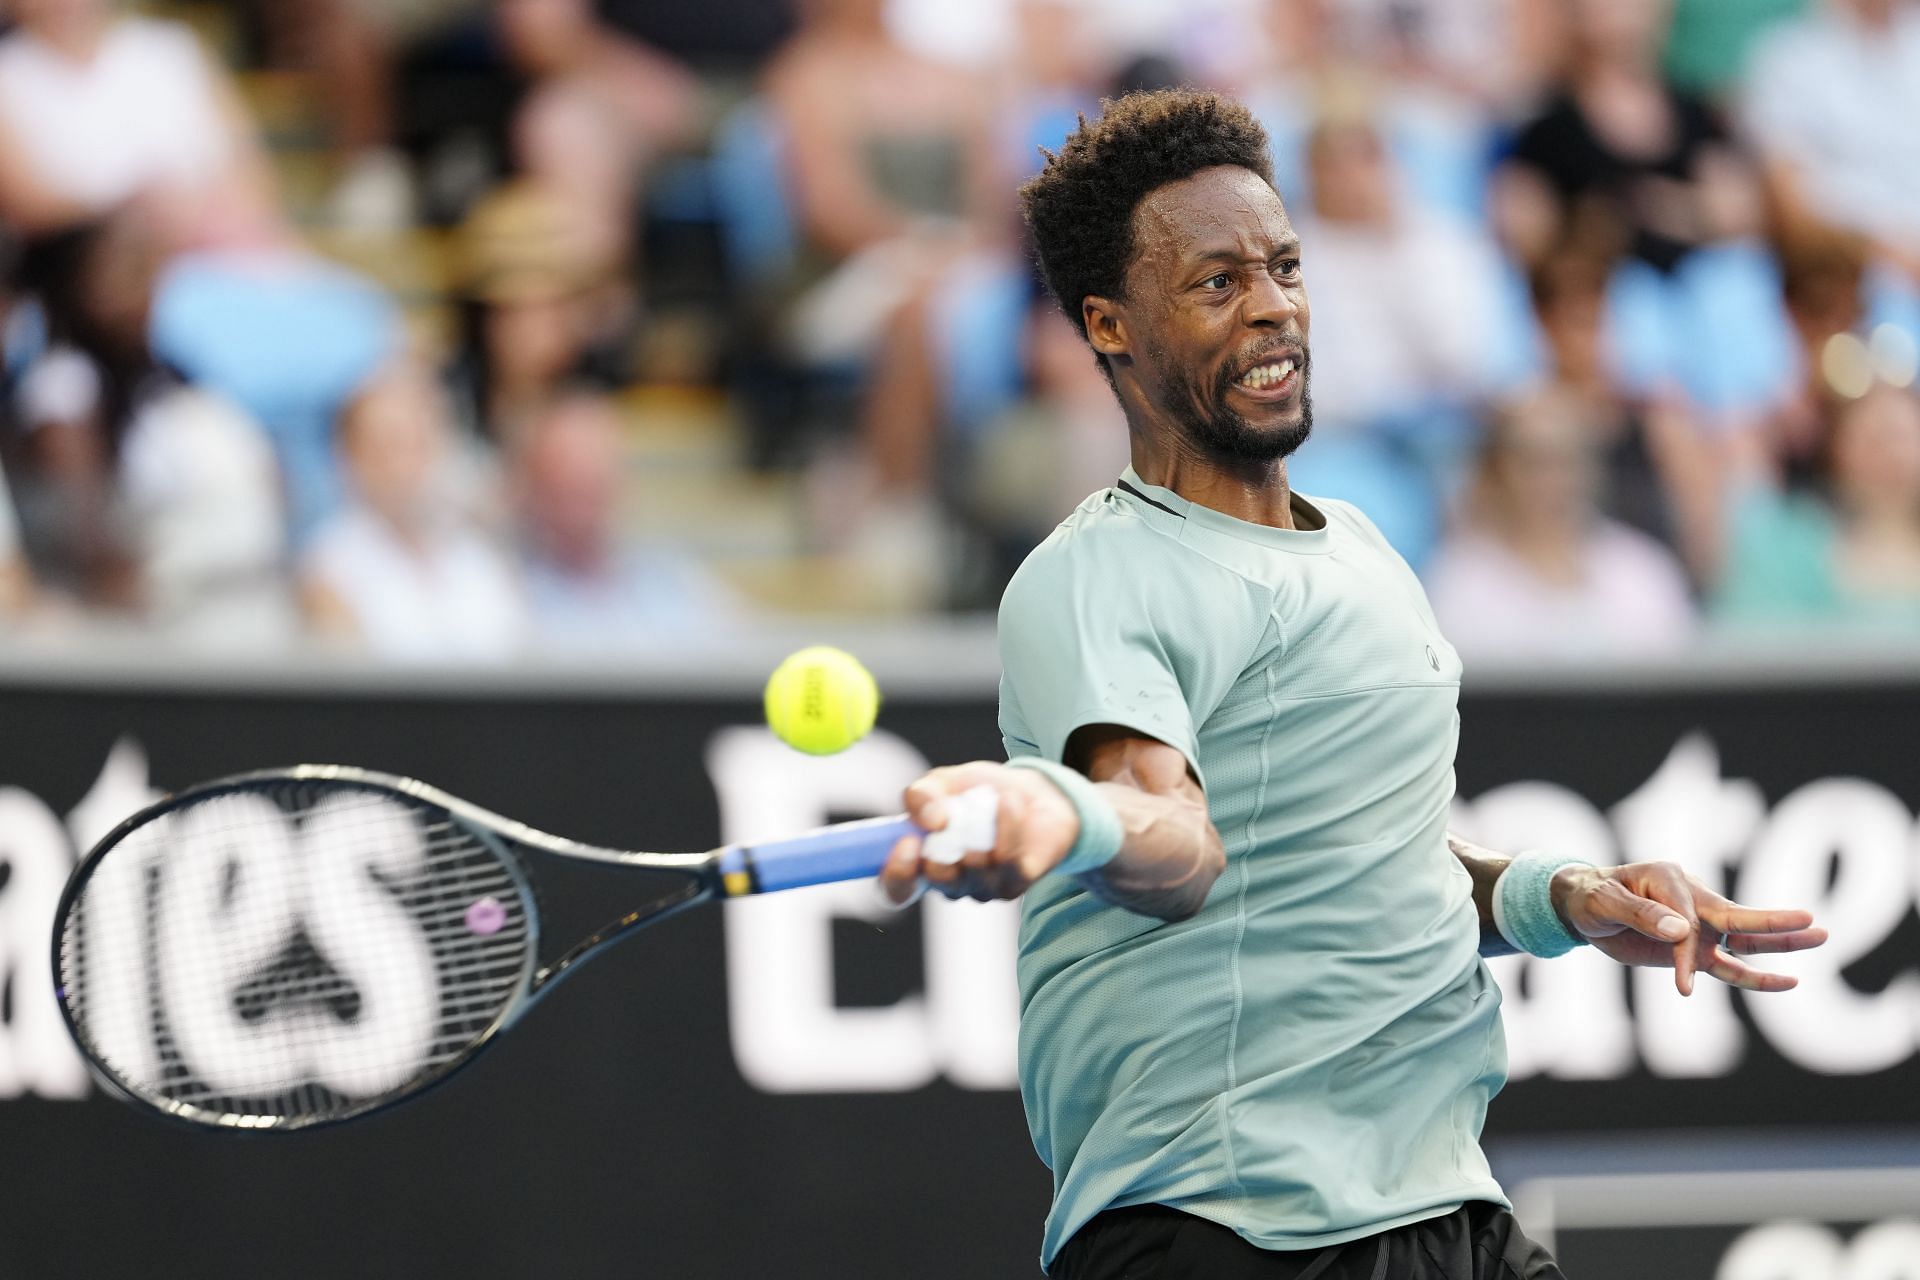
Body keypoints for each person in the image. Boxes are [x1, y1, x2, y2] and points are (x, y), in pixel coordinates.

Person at [873, 90, 1826, 1279]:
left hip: (1440, 1202)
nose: (1273, 304)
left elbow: (1377, 862)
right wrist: (1064, 810)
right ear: (1112, 325)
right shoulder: (1093, 575)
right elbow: (1173, 840)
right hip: (1221, 1220)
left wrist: (1566, 896)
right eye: (1217, 282)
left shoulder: (1368, 550)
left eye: (1283, 265)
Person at [1424, 392, 1698, 660]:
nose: (1554, 479)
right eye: (1534, 460)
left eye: (1570, 458)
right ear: (1497, 471)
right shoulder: (1460, 584)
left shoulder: (1643, 571)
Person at [300, 363, 525, 661]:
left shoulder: (479, 555)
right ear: (348, 456)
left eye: (418, 442)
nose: (404, 466)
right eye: (387, 446)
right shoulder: (330, 566)